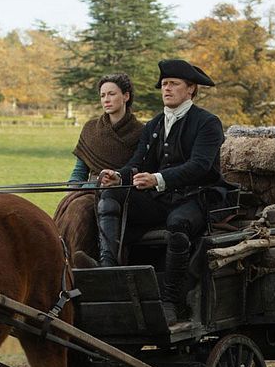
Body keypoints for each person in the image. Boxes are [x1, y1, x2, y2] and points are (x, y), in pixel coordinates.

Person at [96, 59, 224, 324]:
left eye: (173, 84)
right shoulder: (155, 124)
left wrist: (157, 178)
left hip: (197, 197)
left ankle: (171, 301)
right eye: (164, 84)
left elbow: (200, 166)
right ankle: (109, 272)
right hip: (161, 198)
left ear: (190, 89)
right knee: (109, 197)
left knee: (178, 224)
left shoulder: (208, 123)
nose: (167, 89)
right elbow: (137, 163)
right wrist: (119, 175)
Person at [53, 74, 144, 264]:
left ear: (126, 96)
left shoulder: (140, 132)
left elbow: (140, 168)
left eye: (111, 94)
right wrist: (72, 190)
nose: (106, 100)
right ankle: (62, 261)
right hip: (88, 188)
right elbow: (80, 170)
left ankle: (85, 263)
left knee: (81, 210)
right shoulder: (90, 128)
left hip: (121, 192)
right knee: (74, 206)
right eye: (103, 95)